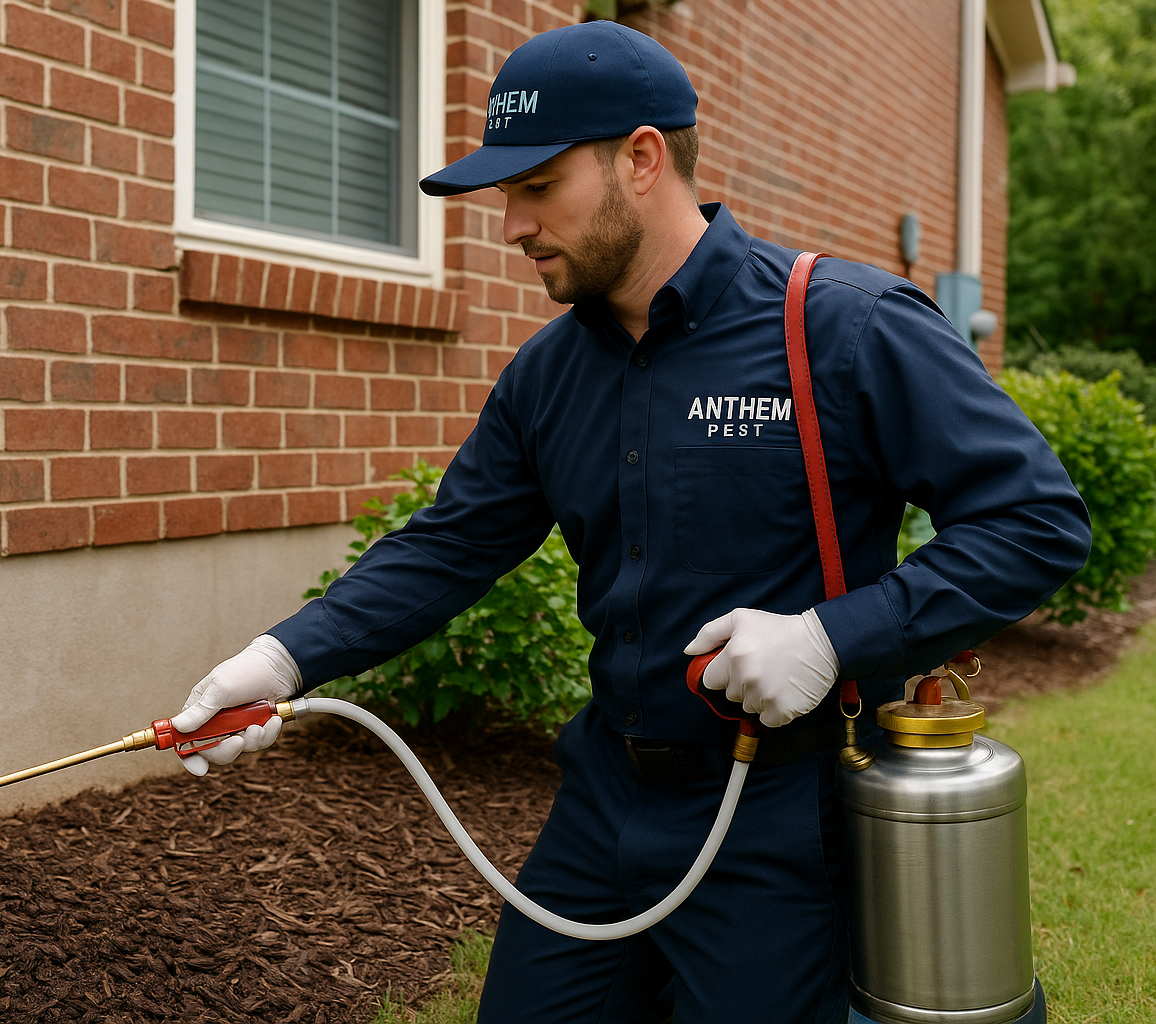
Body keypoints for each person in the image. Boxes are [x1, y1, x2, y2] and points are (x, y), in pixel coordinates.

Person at [169, 20, 1090, 1024]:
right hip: (606, 801)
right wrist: (277, 662)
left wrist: (832, 636)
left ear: (642, 159)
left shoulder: (845, 324)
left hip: (782, 813)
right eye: (504, 195)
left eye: (536, 188)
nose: (511, 225)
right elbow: (449, 547)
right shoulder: (547, 377)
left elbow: (1034, 520)